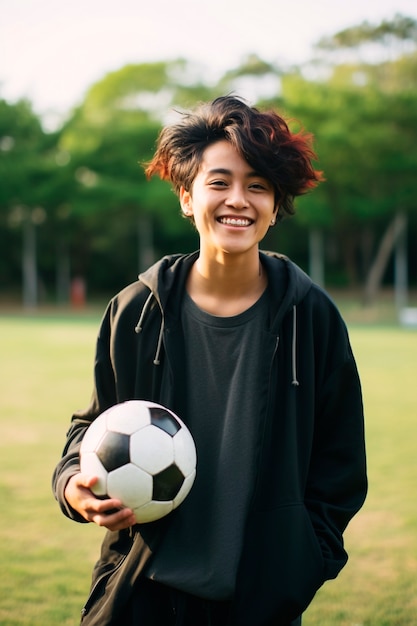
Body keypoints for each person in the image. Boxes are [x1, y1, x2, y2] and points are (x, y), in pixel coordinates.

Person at [52, 95, 367, 626]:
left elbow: (341, 464)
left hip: (257, 604)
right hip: (140, 595)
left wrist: (301, 562)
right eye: (219, 182)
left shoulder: (312, 316)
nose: (238, 200)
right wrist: (72, 484)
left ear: (275, 204)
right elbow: (91, 428)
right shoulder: (135, 310)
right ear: (186, 196)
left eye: (258, 186)